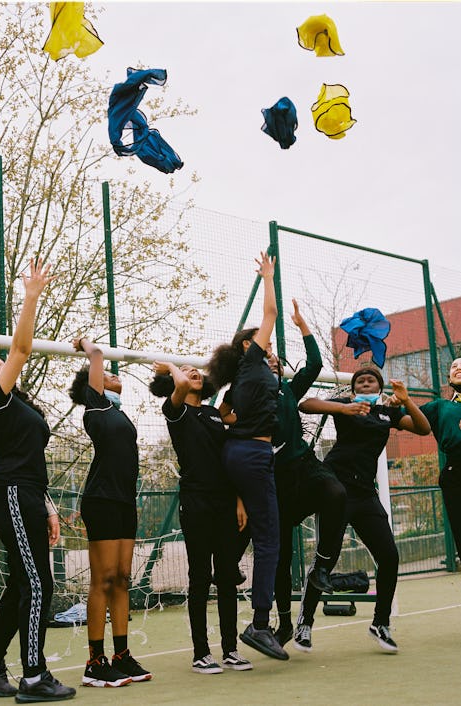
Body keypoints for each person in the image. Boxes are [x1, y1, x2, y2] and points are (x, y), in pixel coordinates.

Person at [0, 258, 76, 703]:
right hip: (10, 496)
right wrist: (31, 296)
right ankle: (33, 676)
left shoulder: (13, 407)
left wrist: (46, 507)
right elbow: (21, 351)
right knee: (39, 583)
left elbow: (30, 459)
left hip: (25, 494)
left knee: (21, 584)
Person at [231, 300, 347, 647]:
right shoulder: (246, 389)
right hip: (273, 479)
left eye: (274, 352)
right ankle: (280, 624)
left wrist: (302, 325)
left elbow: (315, 363)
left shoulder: (288, 389)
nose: (273, 355)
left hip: (304, 468)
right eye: (265, 349)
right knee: (279, 558)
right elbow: (228, 419)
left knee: (336, 494)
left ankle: (323, 567)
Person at [295, 367, 431, 654]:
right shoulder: (347, 404)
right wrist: (342, 408)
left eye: (371, 380)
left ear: (379, 387)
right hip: (337, 491)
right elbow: (305, 404)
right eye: (360, 380)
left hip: (366, 494)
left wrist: (406, 400)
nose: (365, 382)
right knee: (325, 560)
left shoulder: (387, 412)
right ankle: (304, 622)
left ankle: (380, 623)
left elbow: (423, 428)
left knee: (389, 557)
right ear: (354, 388)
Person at [207, 251, 288, 661]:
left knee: (253, 527)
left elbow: (224, 412)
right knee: (270, 538)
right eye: (265, 341)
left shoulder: (238, 379)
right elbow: (270, 310)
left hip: (238, 452)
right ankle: (259, 623)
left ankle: (228, 569)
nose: (270, 347)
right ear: (248, 345)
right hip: (254, 454)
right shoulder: (252, 360)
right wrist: (268, 278)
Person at [149, 361, 252, 674]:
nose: (192, 372)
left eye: (196, 369)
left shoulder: (212, 413)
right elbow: (179, 386)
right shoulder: (176, 410)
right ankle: (201, 653)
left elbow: (228, 458)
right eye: (185, 370)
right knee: (199, 578)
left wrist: (238, 501)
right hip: (196, 501)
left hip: (225, 501)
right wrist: (169, 367)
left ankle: (231, 649)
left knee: (225, 577)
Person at [69, 337, 152, 686]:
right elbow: (98, 355)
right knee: (102, 580)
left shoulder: (118, 412)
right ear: (96, 385)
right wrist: (87, 344)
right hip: (101, 500)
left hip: (123, 501)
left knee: (121, 578)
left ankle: (121, 654)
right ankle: (94, 661)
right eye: (108, 375)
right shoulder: (96, 408)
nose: (116, 376)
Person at [415, 357, 461, 616]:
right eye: (454, 367)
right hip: (456, 477)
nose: (458, 368)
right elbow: (410, 417)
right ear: (450, 379)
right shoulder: (440, 407)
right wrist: (395, 402)